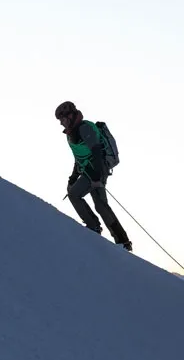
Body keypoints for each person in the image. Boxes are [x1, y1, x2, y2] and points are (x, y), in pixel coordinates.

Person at [55, 101, 132, 251]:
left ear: (70, 116)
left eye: (63, 119)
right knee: (101, 205)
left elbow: (96, 151)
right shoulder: (71, 134)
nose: (61, 123)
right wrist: (72, 178)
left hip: (97, 170)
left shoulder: (85, 128)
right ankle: (122, 241)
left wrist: (97, 178)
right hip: (90, 171)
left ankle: (94, 227)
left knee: (75, 195)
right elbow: (79, 158)